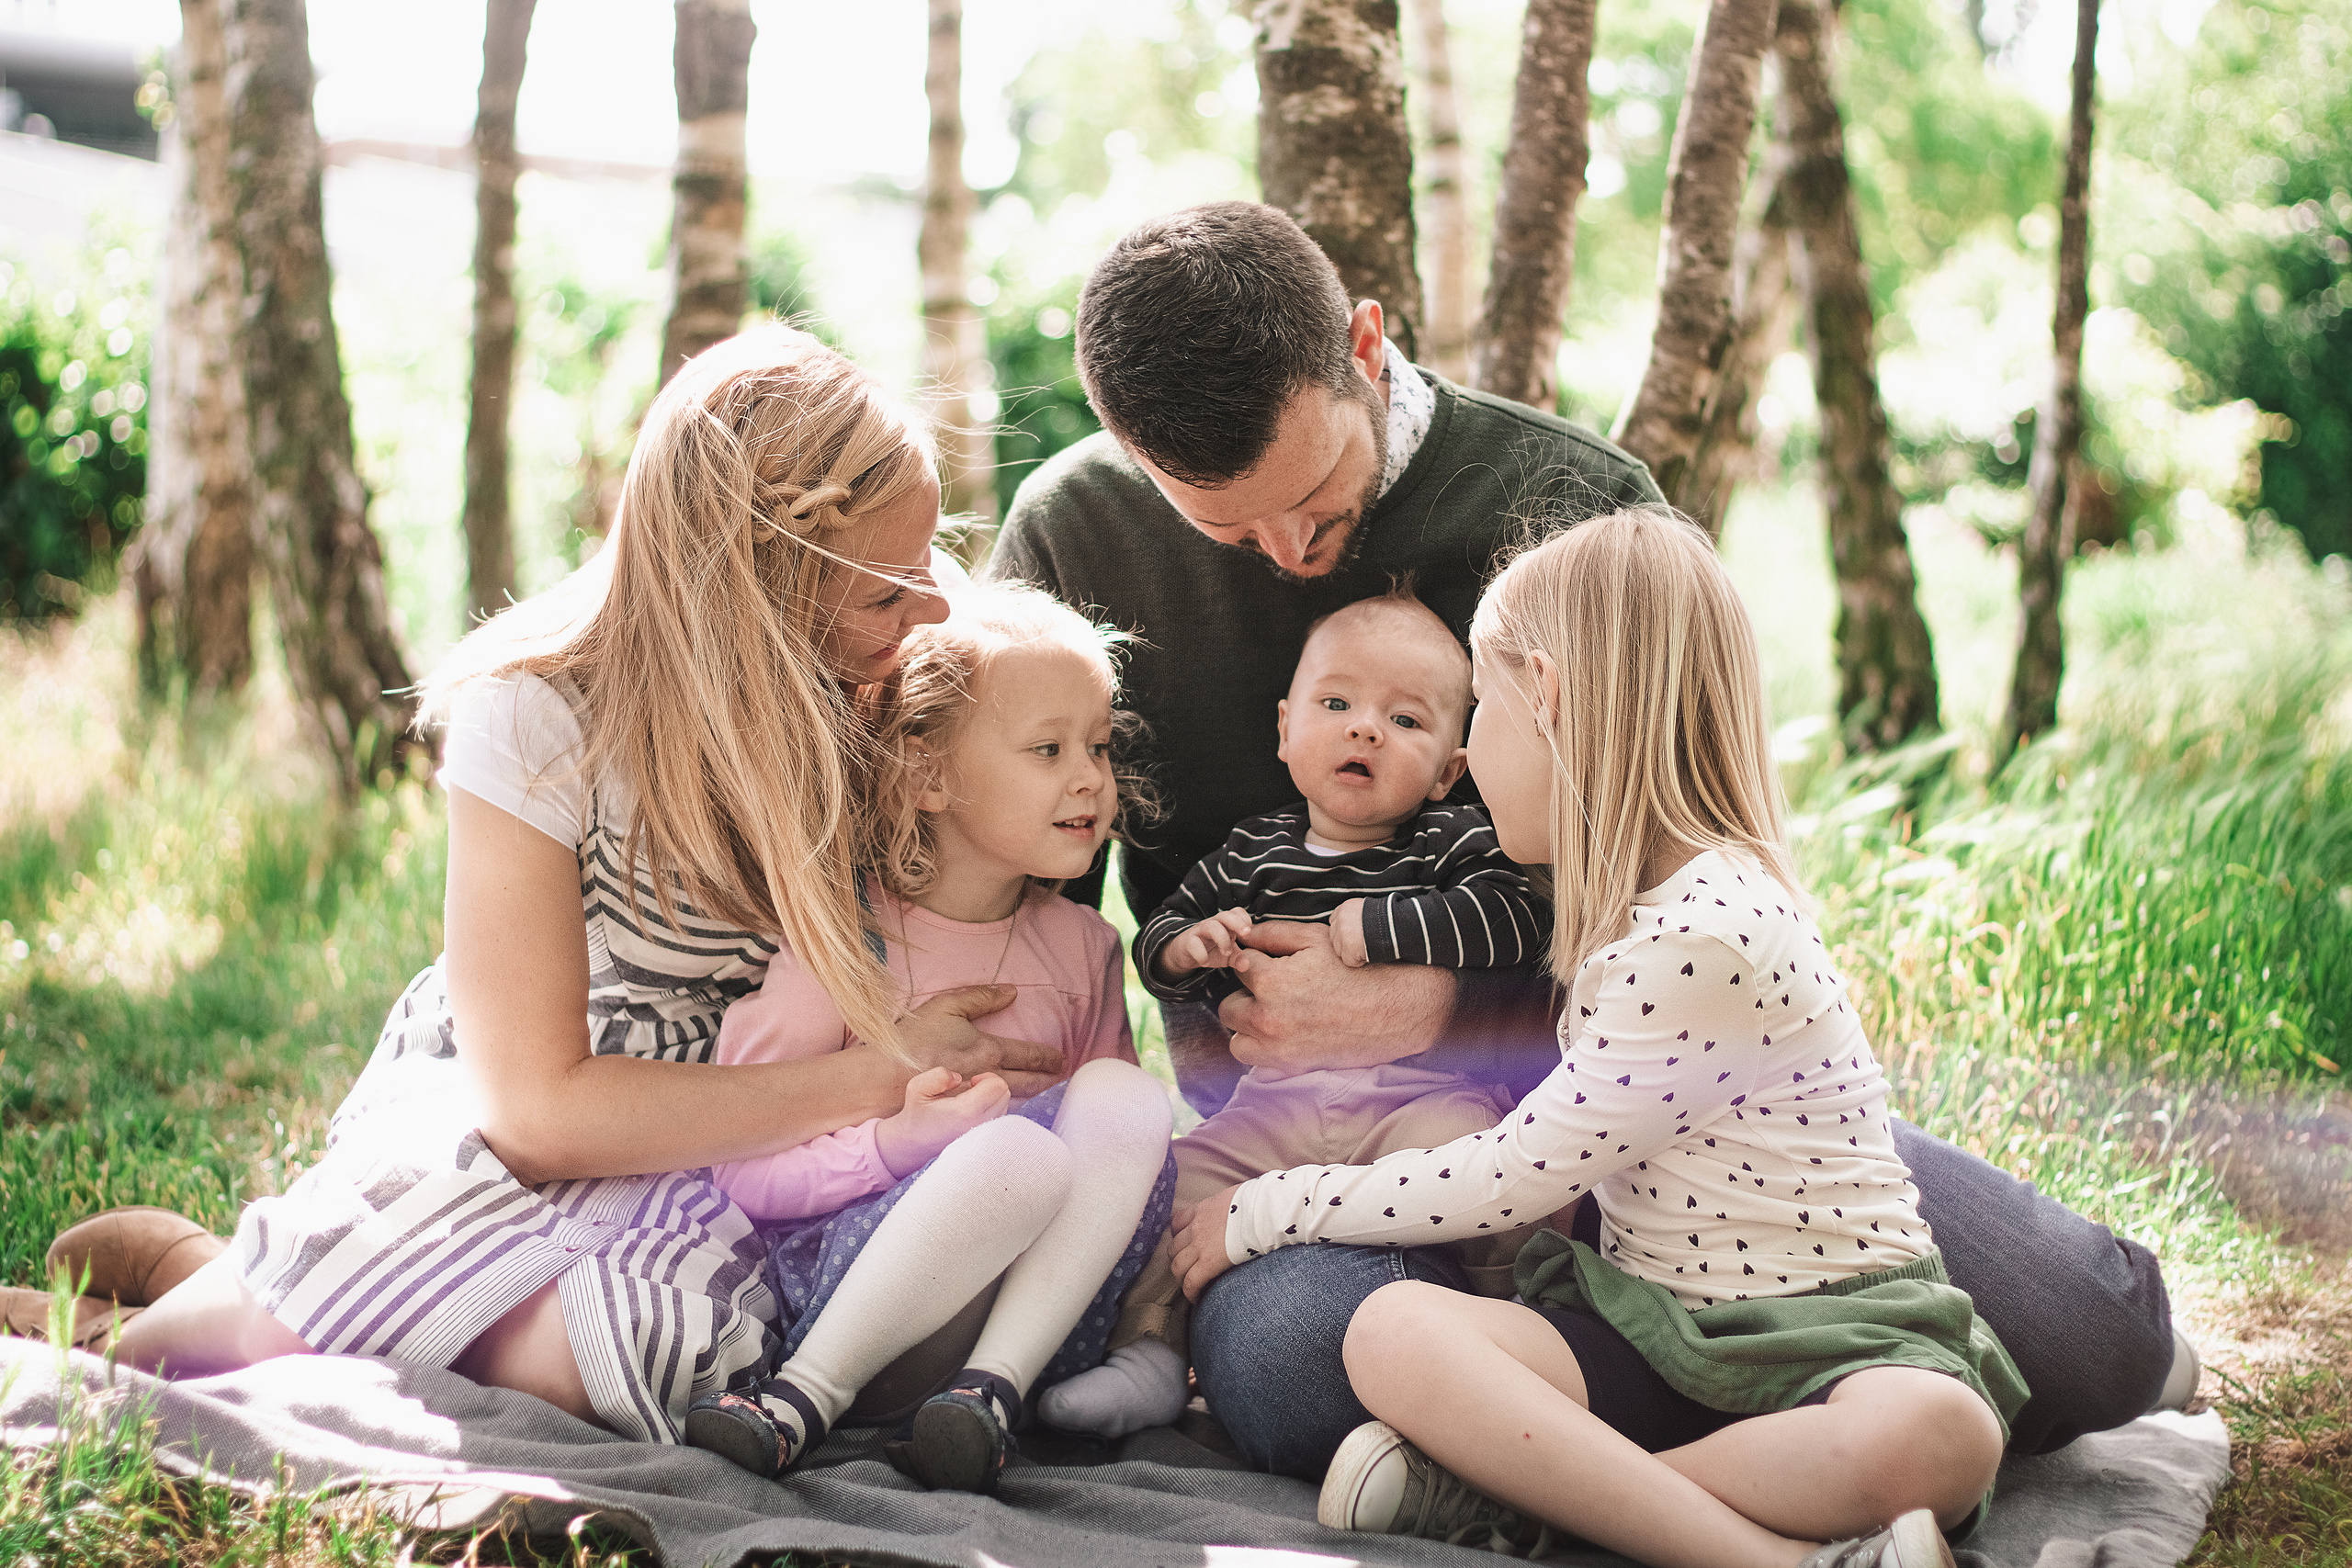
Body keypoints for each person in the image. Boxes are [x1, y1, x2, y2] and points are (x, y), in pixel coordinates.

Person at [985, 199, 2179, 1475]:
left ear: (1368, 346)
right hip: (1303, 1133)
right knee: (1291, 1375)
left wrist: (1440, 1000)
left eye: (1318, 497)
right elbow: (1017, 886)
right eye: (1227, 528)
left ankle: (1582, 1423)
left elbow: (1692, 861)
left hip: (1635, 1108)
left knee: (2097, 1343)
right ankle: (1721, 1419)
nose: (1288, 555)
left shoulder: (1568, 505)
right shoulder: (1077, 535)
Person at [80, 326, 1084, 1448]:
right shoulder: (538, 715)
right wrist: (871, 1075)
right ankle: (164, 1311)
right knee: (215, 1357)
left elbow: (1016, 751)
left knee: (613, 1364)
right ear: (754, 582)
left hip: (736, 1137)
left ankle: (223, 1281)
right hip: (532, 1112)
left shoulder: (874, 676)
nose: (933, 609)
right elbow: (538, 1112)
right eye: (890, 589)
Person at [1171, 509, 2015, 1566]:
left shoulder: (1712, 932)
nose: (1468, 751)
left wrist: (1266, 1208)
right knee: (1391, 1332)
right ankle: (1680, 1519)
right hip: (1654, 1339)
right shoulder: (1631, 908)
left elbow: (1508, 1175)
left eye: (1480, 708)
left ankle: (1677, 1537)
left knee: (1943, 1432)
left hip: (1828, 1349)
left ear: (1551, 697)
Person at [686, 585, 1174, 1491]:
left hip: (1031, 1330)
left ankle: (988, 1402)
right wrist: (894, 1143)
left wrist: (1154, 1332)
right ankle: (799, 1400)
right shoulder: (839, 937)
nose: (1090, 779)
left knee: (1123, 1097)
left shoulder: (1085, 947)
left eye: (1099, 748)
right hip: (861, 1322)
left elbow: (1123, 1168)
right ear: (926, 775)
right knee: (1013, 1155)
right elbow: (735, 1170)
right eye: (1048, 750)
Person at [1041, 585, 1544, 1439]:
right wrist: (1187, 947)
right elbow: (1156, 930)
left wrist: (1382, 925)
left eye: (1407, 720)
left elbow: (1518, 916)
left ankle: (1522, 1324)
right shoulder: (1252, 850)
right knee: (1165, 1191)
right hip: (1269, 1110)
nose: (1365, 729)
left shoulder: (1449, 843)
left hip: (1413, 1102)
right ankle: (1152, 1353)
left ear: (1452, 768)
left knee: (1496, 1176)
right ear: (1285, 727)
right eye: (1337, 704)